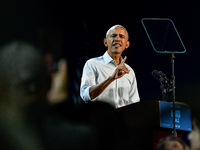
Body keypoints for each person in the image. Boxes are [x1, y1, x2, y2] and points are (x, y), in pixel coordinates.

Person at [80, 24, 140, 108]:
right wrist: (111, 78)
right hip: (98, 119)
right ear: (105, 42)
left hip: (121, 120)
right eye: (113, 36)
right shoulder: (92, 64)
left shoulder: (129, 71)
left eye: (121, 36)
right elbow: (86, 96)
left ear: (127, 44)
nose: (117, 39)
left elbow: (134, 104)